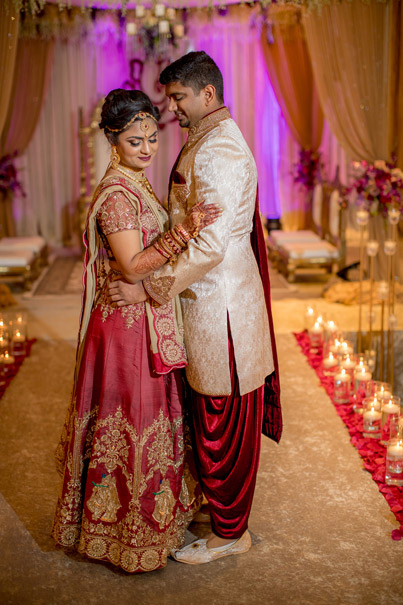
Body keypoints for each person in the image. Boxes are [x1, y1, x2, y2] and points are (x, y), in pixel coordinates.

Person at [108, 52, 282, 565]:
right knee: (210, 416)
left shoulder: (219, 152)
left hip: (220, 311)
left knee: (222, 421)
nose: (172, 109)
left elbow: (209, 249)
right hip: (209, 304)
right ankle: (221, 514)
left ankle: (231, 534)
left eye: (179, 97)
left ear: (208, 95)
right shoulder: (206, 140)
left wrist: (148, 288)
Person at [51, 88, 221, 573]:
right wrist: (185, 230)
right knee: (133, 423)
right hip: (125, 330)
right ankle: (123, 532)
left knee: (154, 422)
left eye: (151, 138)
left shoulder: (137, 182)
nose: (147, 149)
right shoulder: (116, 197)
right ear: (112, 140)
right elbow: (131, 266)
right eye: (134, 141)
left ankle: (155, 520)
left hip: (142, 318)